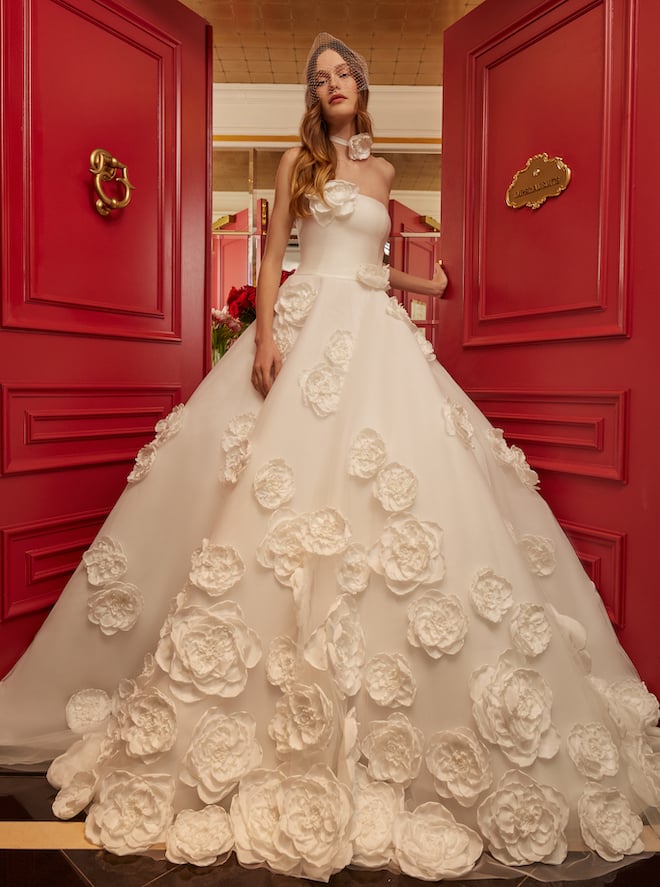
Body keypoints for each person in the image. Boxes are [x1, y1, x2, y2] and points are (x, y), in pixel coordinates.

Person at [1, 31, 659, 883]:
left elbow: (376, 271)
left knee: (406, 503)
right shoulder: (294, 166)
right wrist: (264, 337)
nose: (333, 83)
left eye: (344, 72)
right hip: (306, 333)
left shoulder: (383, 174)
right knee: (265, 499)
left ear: (362, 86)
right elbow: (274, 262)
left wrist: (432, 285)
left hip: (378, 338)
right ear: (312, 97)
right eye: (321, 77)